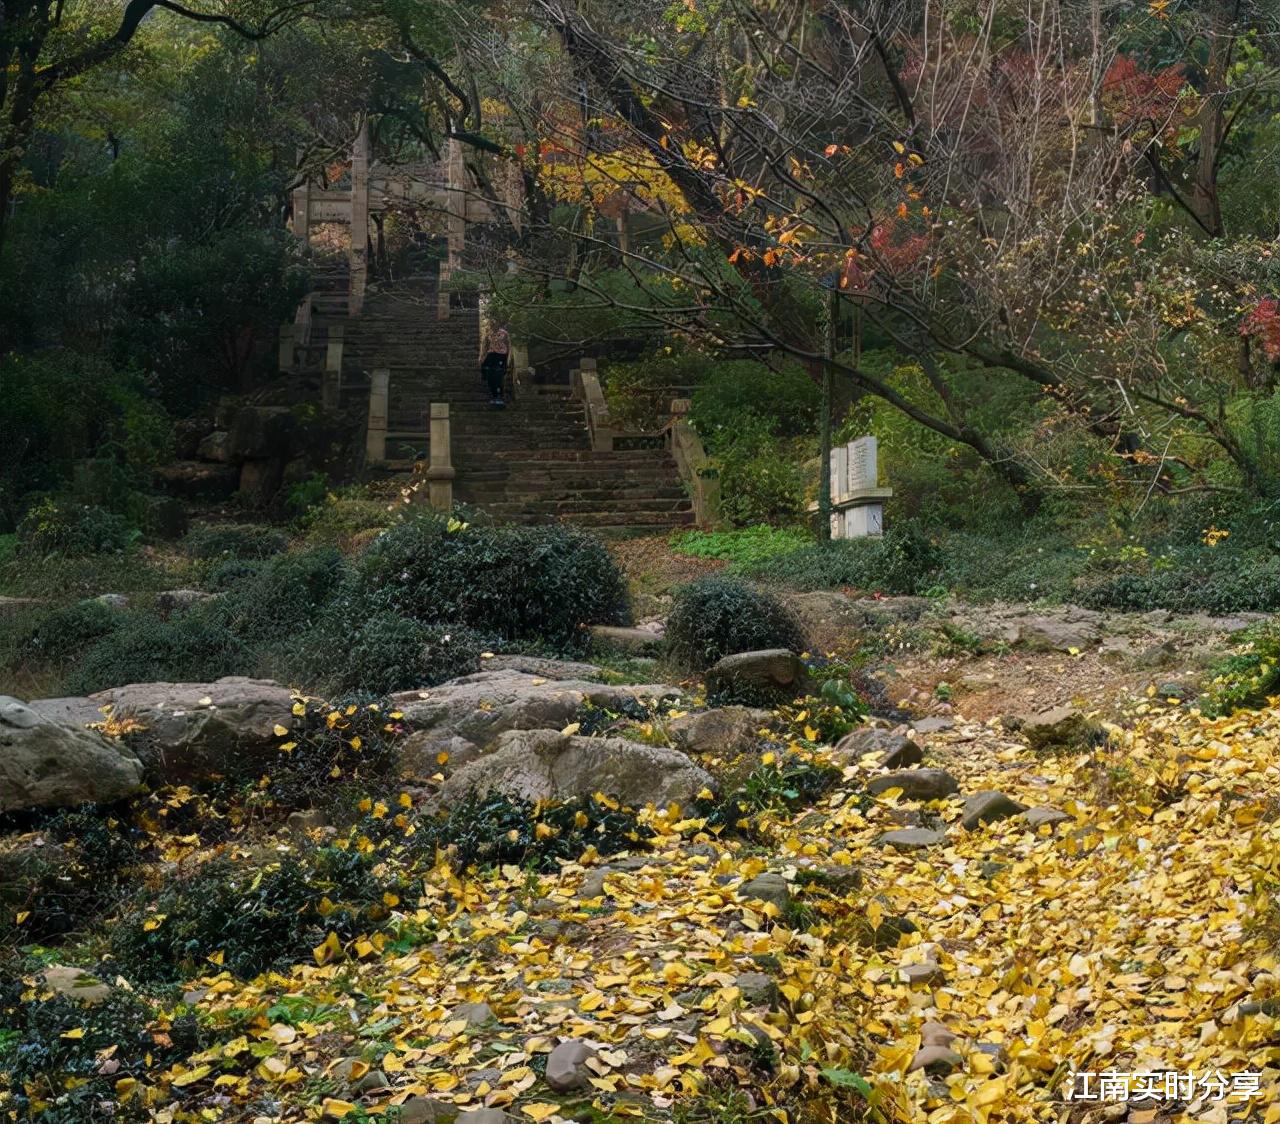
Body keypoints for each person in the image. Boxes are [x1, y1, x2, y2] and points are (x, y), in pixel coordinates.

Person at [479, 323, 511, 407]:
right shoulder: (489, 334)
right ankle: (494, 396)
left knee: (498, 376)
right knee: (491, 376)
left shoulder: (504, 334)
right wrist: (482, 358)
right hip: (491, 356)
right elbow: (485, 347)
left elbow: (508, 347)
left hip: (501, 356)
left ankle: (498, 397)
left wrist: (507, 362)